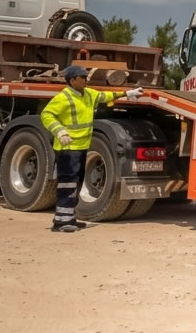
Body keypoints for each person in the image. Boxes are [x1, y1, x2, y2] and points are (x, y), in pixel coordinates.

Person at [39, 65, 143, 232]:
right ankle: (61, 221)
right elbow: (47, 115)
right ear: (72, 80)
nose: (85, 80)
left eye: (85, 77)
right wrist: (59, 131)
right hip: (68, 148)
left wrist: (126, 93)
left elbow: (105, 95)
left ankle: (69, 218)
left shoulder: (88, 94)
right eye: (82, 78)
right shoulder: (63, 97)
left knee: (77, 183)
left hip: (81, 147)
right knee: (67, 184)